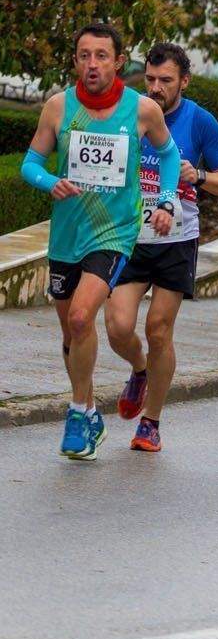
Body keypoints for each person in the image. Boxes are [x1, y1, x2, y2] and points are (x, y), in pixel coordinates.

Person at [23, 24, 182, 460]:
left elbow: (169, 156)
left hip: (114, 233)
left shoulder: (142, 110)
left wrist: (166, 201)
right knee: (71, 333)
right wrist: (49, 181)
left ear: (117, 61)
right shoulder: (58, 107)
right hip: (67, 234)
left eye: (101, 56)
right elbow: (30, 163)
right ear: (75, 60)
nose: (92, 64)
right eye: (83, 55)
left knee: (80, 318)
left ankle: (76, 413)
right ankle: (91, 409)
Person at [104, 44, 218, 452]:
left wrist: (197, 174)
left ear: (184, 80)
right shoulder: (129, 111)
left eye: (166, 80)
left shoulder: (200, 121)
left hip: (176, 238)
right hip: (130, 235)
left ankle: (151, 422)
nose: (156, 88)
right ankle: (140, 369)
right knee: (117, 326)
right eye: (150, 79)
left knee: (159, 330)